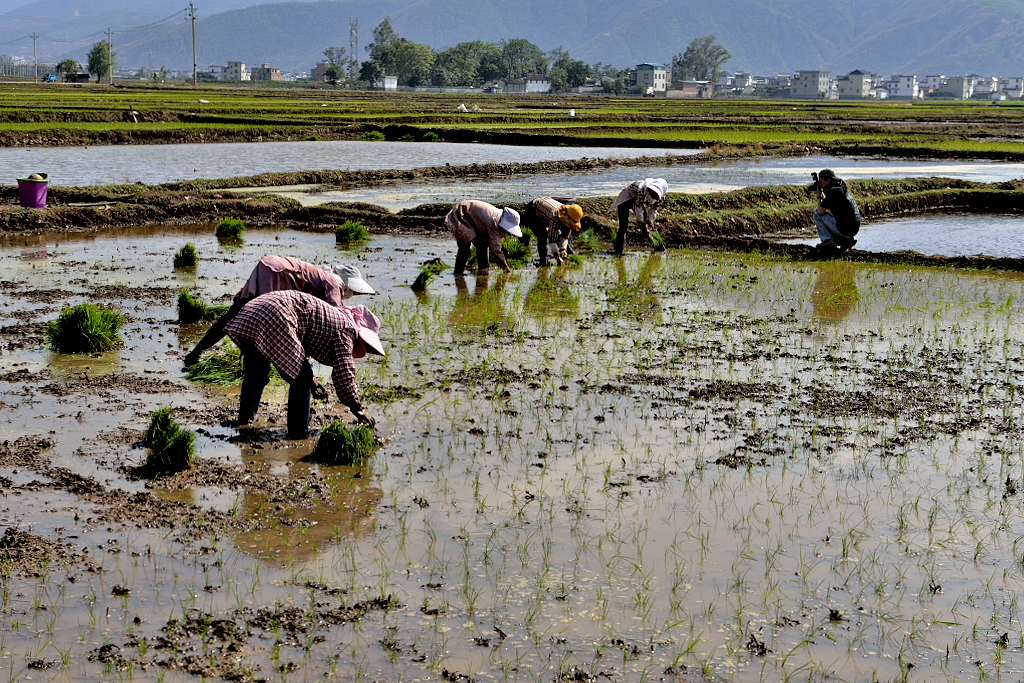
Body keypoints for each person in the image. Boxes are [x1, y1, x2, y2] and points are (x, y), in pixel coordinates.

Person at [224, 290, 383, 439]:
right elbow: (344, 376)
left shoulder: (334, 317)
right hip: (277, 314)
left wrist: (313, 384)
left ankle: (244, 422)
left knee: (257, 372)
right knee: (301, 379)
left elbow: (296, 350)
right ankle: (298, 433)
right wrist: (359, 410)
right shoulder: (347, 330)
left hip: (255, 308)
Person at [183, 257, 374, 366]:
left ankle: (196, 352)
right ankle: (254, 360)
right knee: (265, 319)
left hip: (268, 265)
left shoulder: (321, 274)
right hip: (275, 274)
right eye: (354, 292)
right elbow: (335, 317)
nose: (352, 295)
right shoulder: (334, 283)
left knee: (235, 314)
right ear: (348, 286)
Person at [445, 200, 522, 277]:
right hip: (461, 215)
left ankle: (483, 270)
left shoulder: (499, 218)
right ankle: (458, 274)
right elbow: (496, 251)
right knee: (464, 248)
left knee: (482, 245)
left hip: (473, 219)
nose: (508, 234)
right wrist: (506, 269)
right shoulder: (492, 222)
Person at [611, 178, 669, 255]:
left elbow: (653, 210)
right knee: (623, 226)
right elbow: (639, 213)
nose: (653, 194)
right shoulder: (640, 189)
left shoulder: (660, 198)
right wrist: (644, 228)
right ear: (649, 188)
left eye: (655, 195)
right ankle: (618, 251)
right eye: (652, 192)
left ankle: (657, 247)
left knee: (648, 225)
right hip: (626, 199)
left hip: (639, 201)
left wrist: (650, 220)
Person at [811, 169, 861, 254]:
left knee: (816, 214)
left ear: (828, 180)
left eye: (821, 182)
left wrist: (819, 197)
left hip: (845, 228)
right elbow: (831, 206)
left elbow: (821, 211)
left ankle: (827, 241)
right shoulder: (841, 188)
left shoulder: (833, 191)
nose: (821, 185)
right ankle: (846, 240)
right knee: (831, 213)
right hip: (853, 228)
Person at [524, 197, 584, 266]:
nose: (571, 224)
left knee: (560, 235)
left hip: (546, 206)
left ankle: (566, 252)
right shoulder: (555, 218)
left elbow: (565, 236)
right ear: (567, 217)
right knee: (542, 235)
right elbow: (552, 241)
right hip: (533, 210)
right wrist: (557, 257)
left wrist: (563, 249)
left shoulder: (569, 216)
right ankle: (543, 261)